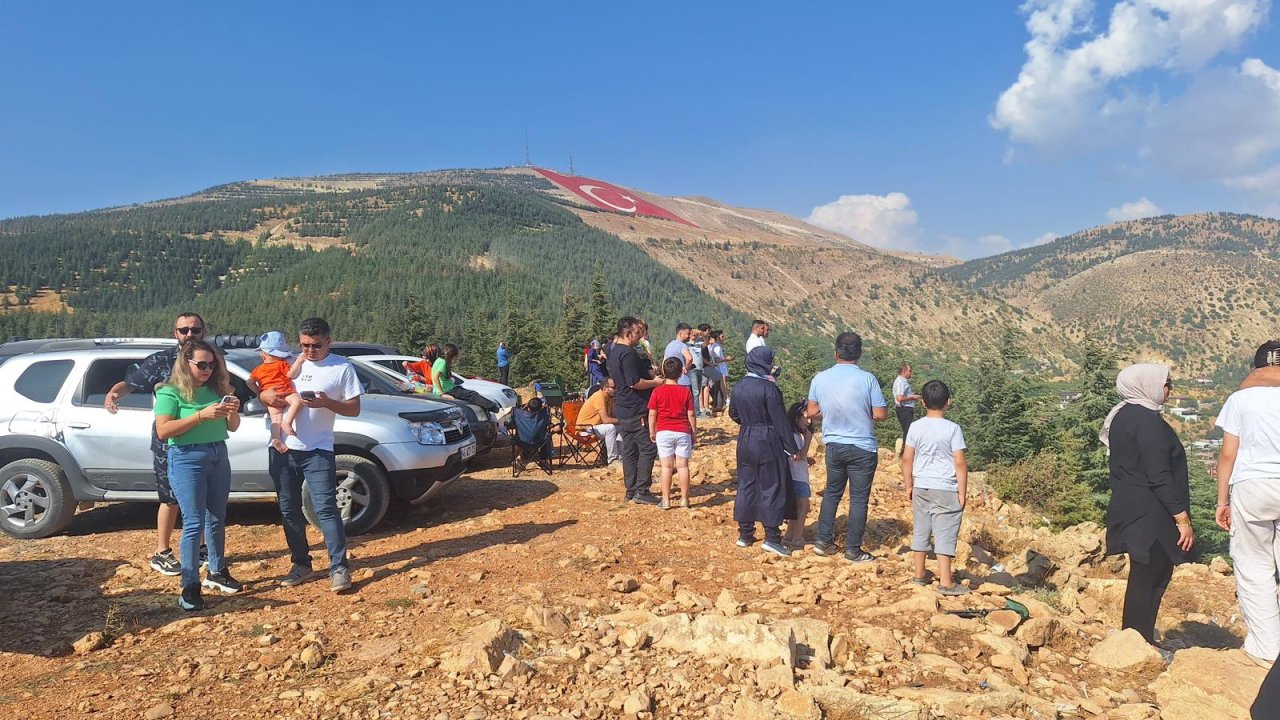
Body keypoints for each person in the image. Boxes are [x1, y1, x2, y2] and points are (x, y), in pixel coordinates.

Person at [261, 317, 362, 593]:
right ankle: (301, 565)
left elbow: (354, 409)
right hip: (282, 449)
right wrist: (264, 398)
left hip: (318, 449)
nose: (309, 351)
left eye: (316, 345)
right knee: (288, 509)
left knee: (326, 509)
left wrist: (326, 402)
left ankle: (339, 568)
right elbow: (263, 388)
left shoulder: (342, 368)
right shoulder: (291, 364)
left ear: (329, 340)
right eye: (304, 345)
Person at [105, 312, 209, 576]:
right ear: (175, 332)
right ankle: (162, 552)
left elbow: (224, 386)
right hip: (169, 440)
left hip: (204, 434)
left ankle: (199, 549)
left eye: (194, 330)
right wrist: (114, 394)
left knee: (201, 497)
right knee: (170, 497)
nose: (189, 335)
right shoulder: (160, 361)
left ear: (203, 332)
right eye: (184, 330)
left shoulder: (211, 358)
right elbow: (131, 384)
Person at [1100, 363, 1193, 646]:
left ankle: (1137, 638)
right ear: (1147, 385)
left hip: (1132, 507)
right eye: (1166, 383)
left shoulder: (1122, 416)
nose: (1169, 389)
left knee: (1145, 575)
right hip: (1151, 514)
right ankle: (1137, 641)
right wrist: (1182, 519)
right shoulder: (1147, 420)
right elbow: (1159, 473)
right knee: (1150, 577)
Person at [154, 340, 242, 611]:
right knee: (193, 522)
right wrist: (201, 416)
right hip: (186, 457)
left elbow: (234, 427)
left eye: (211, 364)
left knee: (216, 517)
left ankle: (216, 571)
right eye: (201, 365)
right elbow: (164, 431)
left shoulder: (217, 389)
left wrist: (232, 411)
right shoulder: (170, 392)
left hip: (217, 454)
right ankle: (189, 585)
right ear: (186, 363)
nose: (206, 369)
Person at [1215, 341, 1280, 667]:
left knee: (1254, 567)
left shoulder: (1240, 399)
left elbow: (1229, 453)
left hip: (1252, 485)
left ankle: (1267, 649)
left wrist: (1222, 501)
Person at [807, 331, 888, 562]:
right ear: (859, 353)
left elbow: (812, 411)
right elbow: (881, 414)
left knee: (832, 492)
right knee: (859, 498)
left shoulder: (820, 378)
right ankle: (853, 549)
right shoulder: (867, 379)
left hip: (833, 444)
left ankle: (823, 541)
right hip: (862, 445)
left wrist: (831, 410)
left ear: (836, 353)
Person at [902, 380, 969, 596]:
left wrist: (909, 485)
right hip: (946, 487)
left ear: (922, 402)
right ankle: (946, 581)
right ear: (948, 402)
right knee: (945, 531)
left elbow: (907, 458)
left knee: (922, 527)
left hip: (922, 485)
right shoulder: (953, 429)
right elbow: (959, 461)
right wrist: (962, 491)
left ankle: (919, 574)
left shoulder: (915, 427)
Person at [729, 346, 798, 556]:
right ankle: (772, 537)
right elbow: (780, 420)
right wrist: (791, 447)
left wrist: (749, 423)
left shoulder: (739, 386)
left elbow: (733, 413)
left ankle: (745, 534)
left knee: (746, 484)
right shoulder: (769, 388)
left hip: (746, 437)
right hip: (768, 439)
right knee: (772, 485)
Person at [605, 316, 663, 505]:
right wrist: (654, 382)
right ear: (628, 333)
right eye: (638, 333)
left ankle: (631, 490)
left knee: (630, 450)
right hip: (635, 408)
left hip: (623, 407)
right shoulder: (628, 353)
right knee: (647, 448)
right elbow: (634, 382)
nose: (641, 336)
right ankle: (642, 490)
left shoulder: (613, 351)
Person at [649, 357, 696, 509]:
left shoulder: (657, 391)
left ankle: (666, 500)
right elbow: (691, 414)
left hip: (663, 430)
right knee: (682, 466)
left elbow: (652, 414)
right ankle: (684, 499)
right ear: (681, 373)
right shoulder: (685, 392)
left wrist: (652, 430)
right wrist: (693, 432)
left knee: (666, 467)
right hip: (682, 430)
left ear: (663, 371)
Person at [248, 331, 306, 453]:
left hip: (270, 398)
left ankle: (275, 438)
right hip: (285, 392)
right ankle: (288, 422)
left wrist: (259, 392)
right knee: (297, 401)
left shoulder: (258, 370)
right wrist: (299, 362)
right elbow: (292, 374)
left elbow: (249, 382)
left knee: (275, 420)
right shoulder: (281, 364)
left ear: (263, 355)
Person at [429, 343, 501, 412]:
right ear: (453, 356)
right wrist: (442, 394)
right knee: (473, 395)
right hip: (448, 389)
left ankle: (490, 410)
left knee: (469, 395)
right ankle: (497, 410)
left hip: (447, 388)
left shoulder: (438, 360)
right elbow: (435, 378)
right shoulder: (443, 362)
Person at [783, 401, 815, 548]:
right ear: (796, 418)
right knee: (803, 506)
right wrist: (808, 439)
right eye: (805, 418)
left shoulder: (794, 434)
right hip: (798, 476)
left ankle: (789, 536)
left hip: (796, 474)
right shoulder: (796, 435)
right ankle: (797, 538)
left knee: (796, 507)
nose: (808, 422)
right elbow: (800, 455)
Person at [578, 376, 620, 464]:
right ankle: (612, 459)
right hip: (584, 428)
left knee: (623, 428)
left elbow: (612, 416)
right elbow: (606, 420)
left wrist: (624, 421)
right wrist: (622, 420)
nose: (616, 389)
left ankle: (621, 456)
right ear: (605, 388)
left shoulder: (610, 397)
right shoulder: (599, 397)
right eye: (613, 387)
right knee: (610, 428)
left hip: (596, 427)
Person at [892, 364, 920, 446]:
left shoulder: (902, 382)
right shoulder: (901, 382)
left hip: (905, 408)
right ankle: (905, 451)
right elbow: (899, 398)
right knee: (908, 431)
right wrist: (912, 397)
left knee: (908, 430)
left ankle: (905, 450)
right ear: (904, 371)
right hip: (904, 409)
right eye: (910, 371)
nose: (911, 373)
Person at [689, 325, 710, 418]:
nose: (694, 335)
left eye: (695, 334)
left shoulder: (699, 344)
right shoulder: (686, 344)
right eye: (692, 334)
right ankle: (696, 412)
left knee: (698, 390)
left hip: (700, 369)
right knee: (695, 392)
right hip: (692, 370)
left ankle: (697, 410)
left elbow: (707, 343)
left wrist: (703, 335)